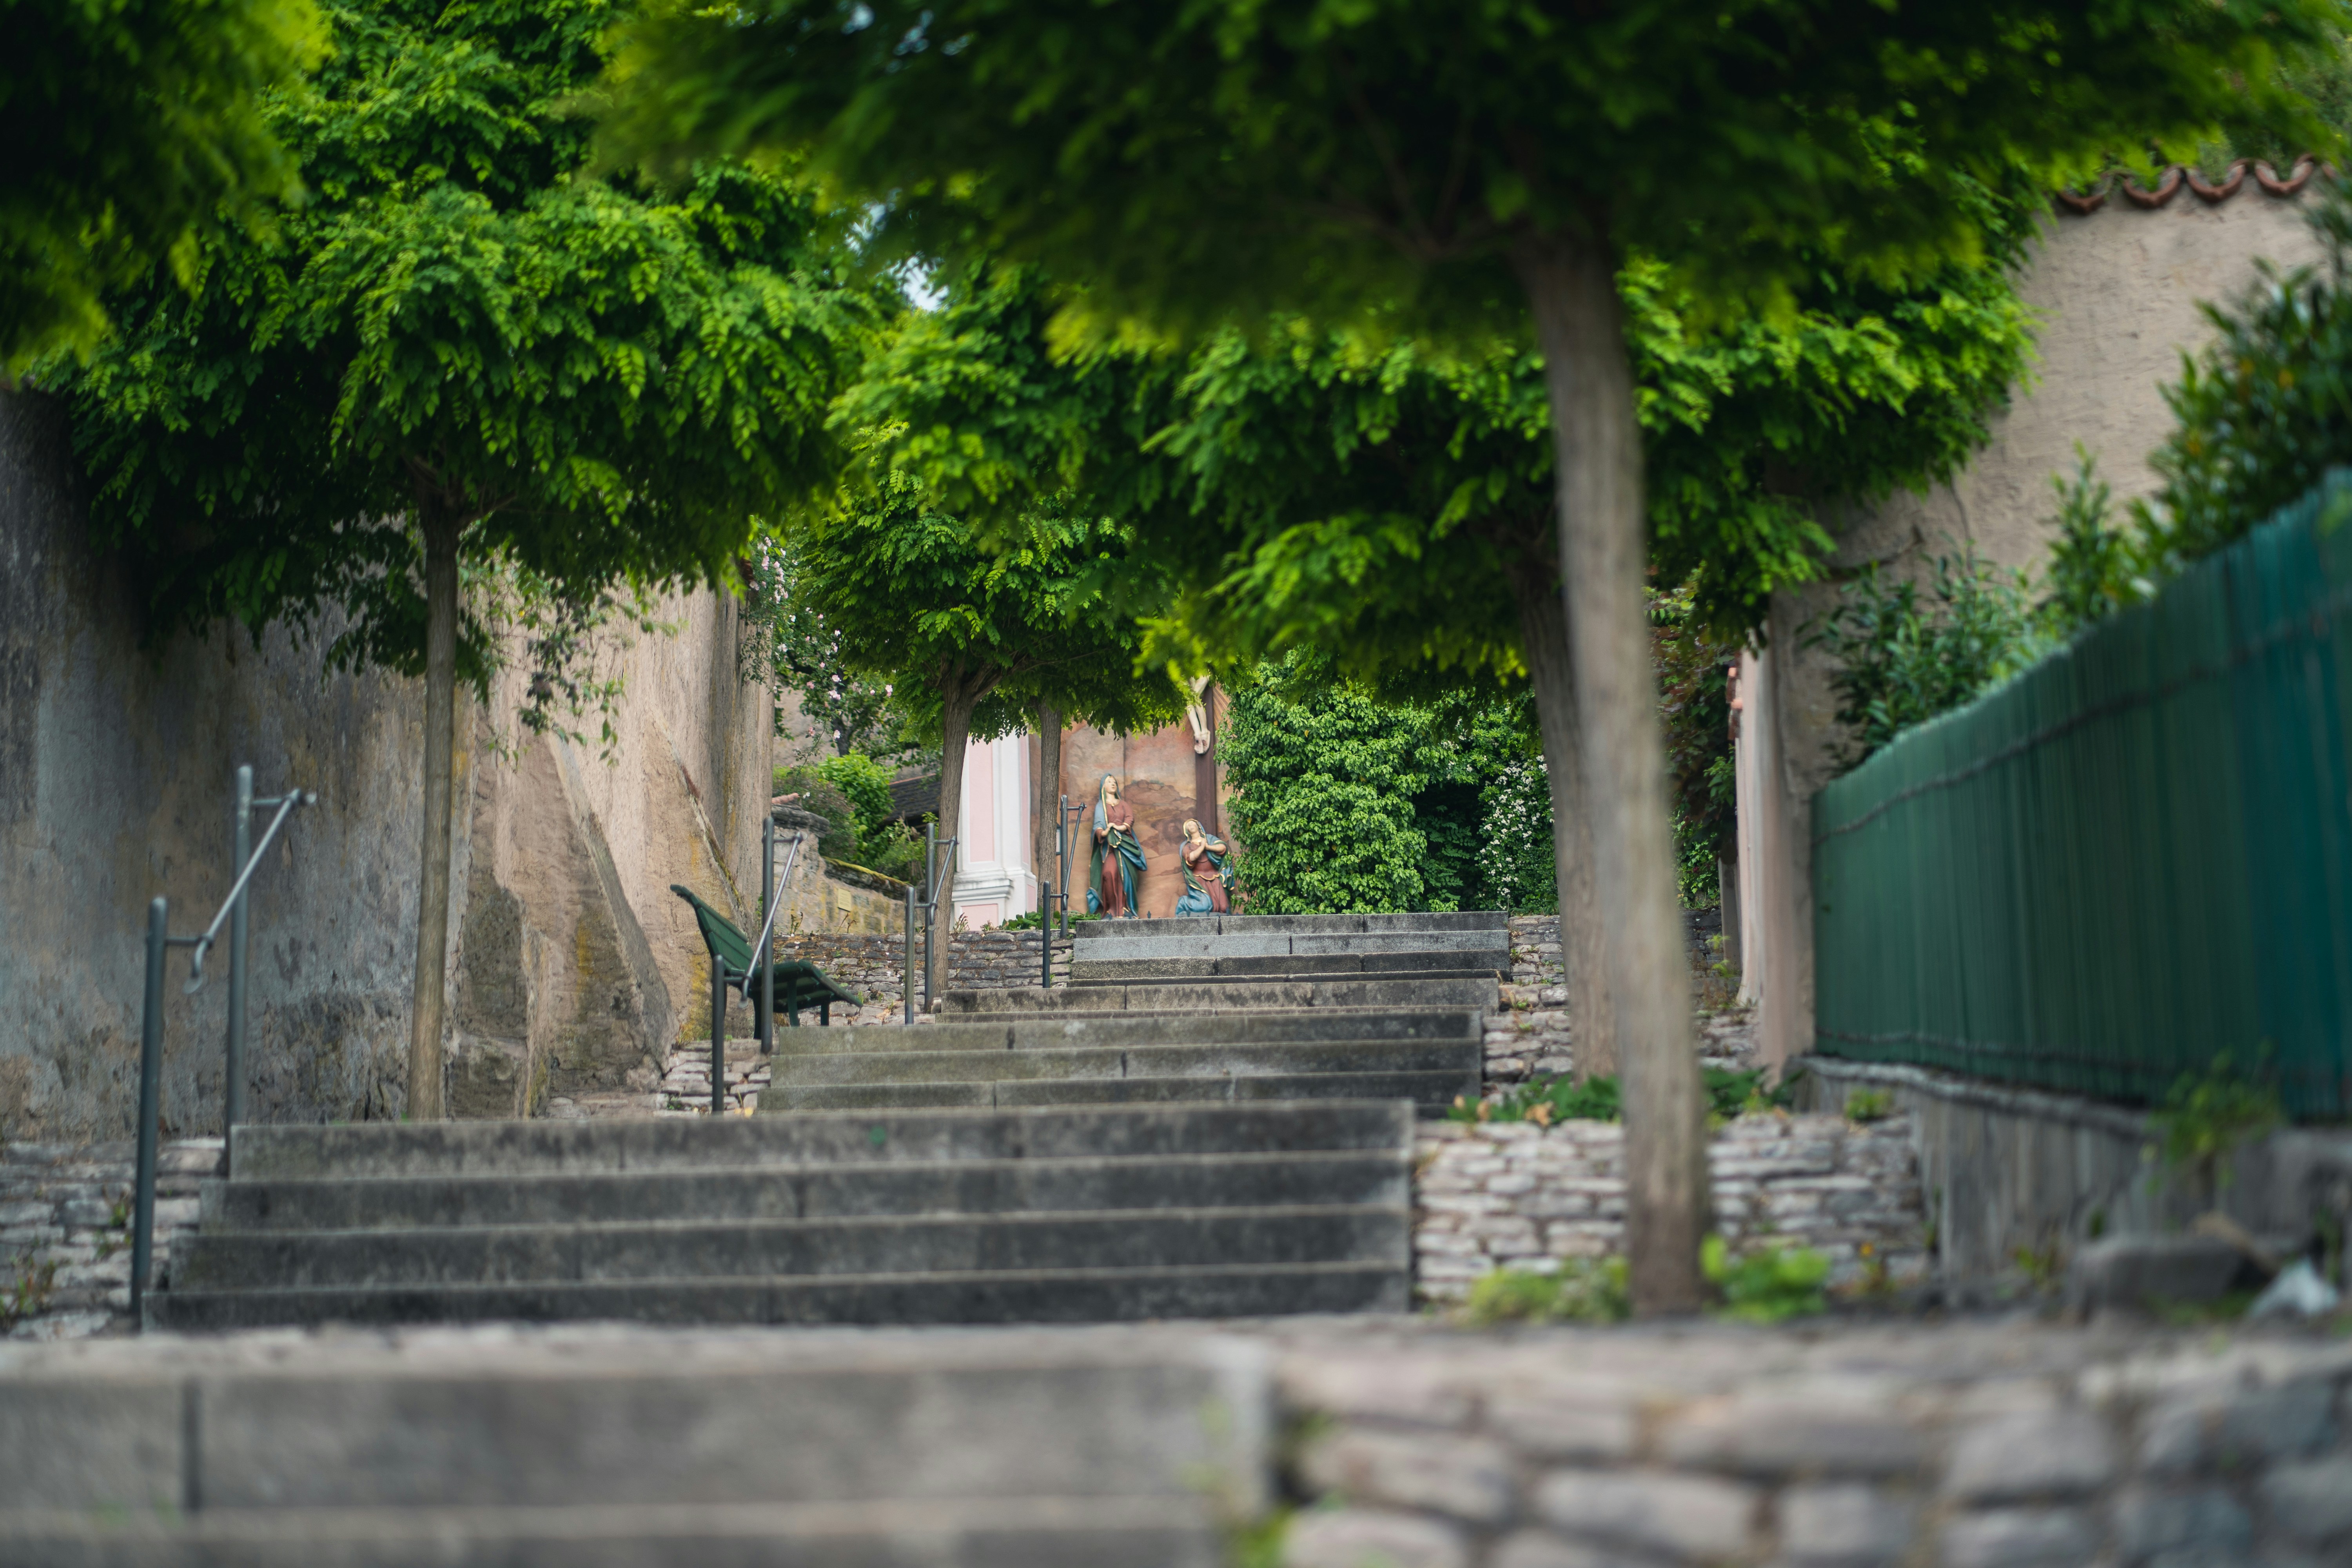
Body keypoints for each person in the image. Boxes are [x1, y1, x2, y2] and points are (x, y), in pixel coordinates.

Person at [1088, 773, 1146, 917]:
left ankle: (1126, 909)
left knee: (1126, 876)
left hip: (1125, 845)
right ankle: (1112, 910)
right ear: (1104, 787)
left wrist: (1120, 828)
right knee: (1108, 874)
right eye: (1109, 782)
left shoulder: (1123, 804)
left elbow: (1130, 818)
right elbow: (1098, 824)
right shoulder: (1101, 806)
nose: (1113, 784)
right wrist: (1106, 831)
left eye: (1115, 782)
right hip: (1109, 847)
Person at [1174, 818, 1230, 915]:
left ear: (1198, 826)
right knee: (1206, 905)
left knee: (1224, 908)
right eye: (1188, 826)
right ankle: (1184, 903)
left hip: (1214, 877)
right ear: (1187, 831)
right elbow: (1190, 858)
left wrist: (1208, 847)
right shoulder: (1187, 846)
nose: (1190, 826)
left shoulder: (1210, 839)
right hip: (1198, 880)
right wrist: (1201, 847)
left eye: (1192, 824)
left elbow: (1223, 848)